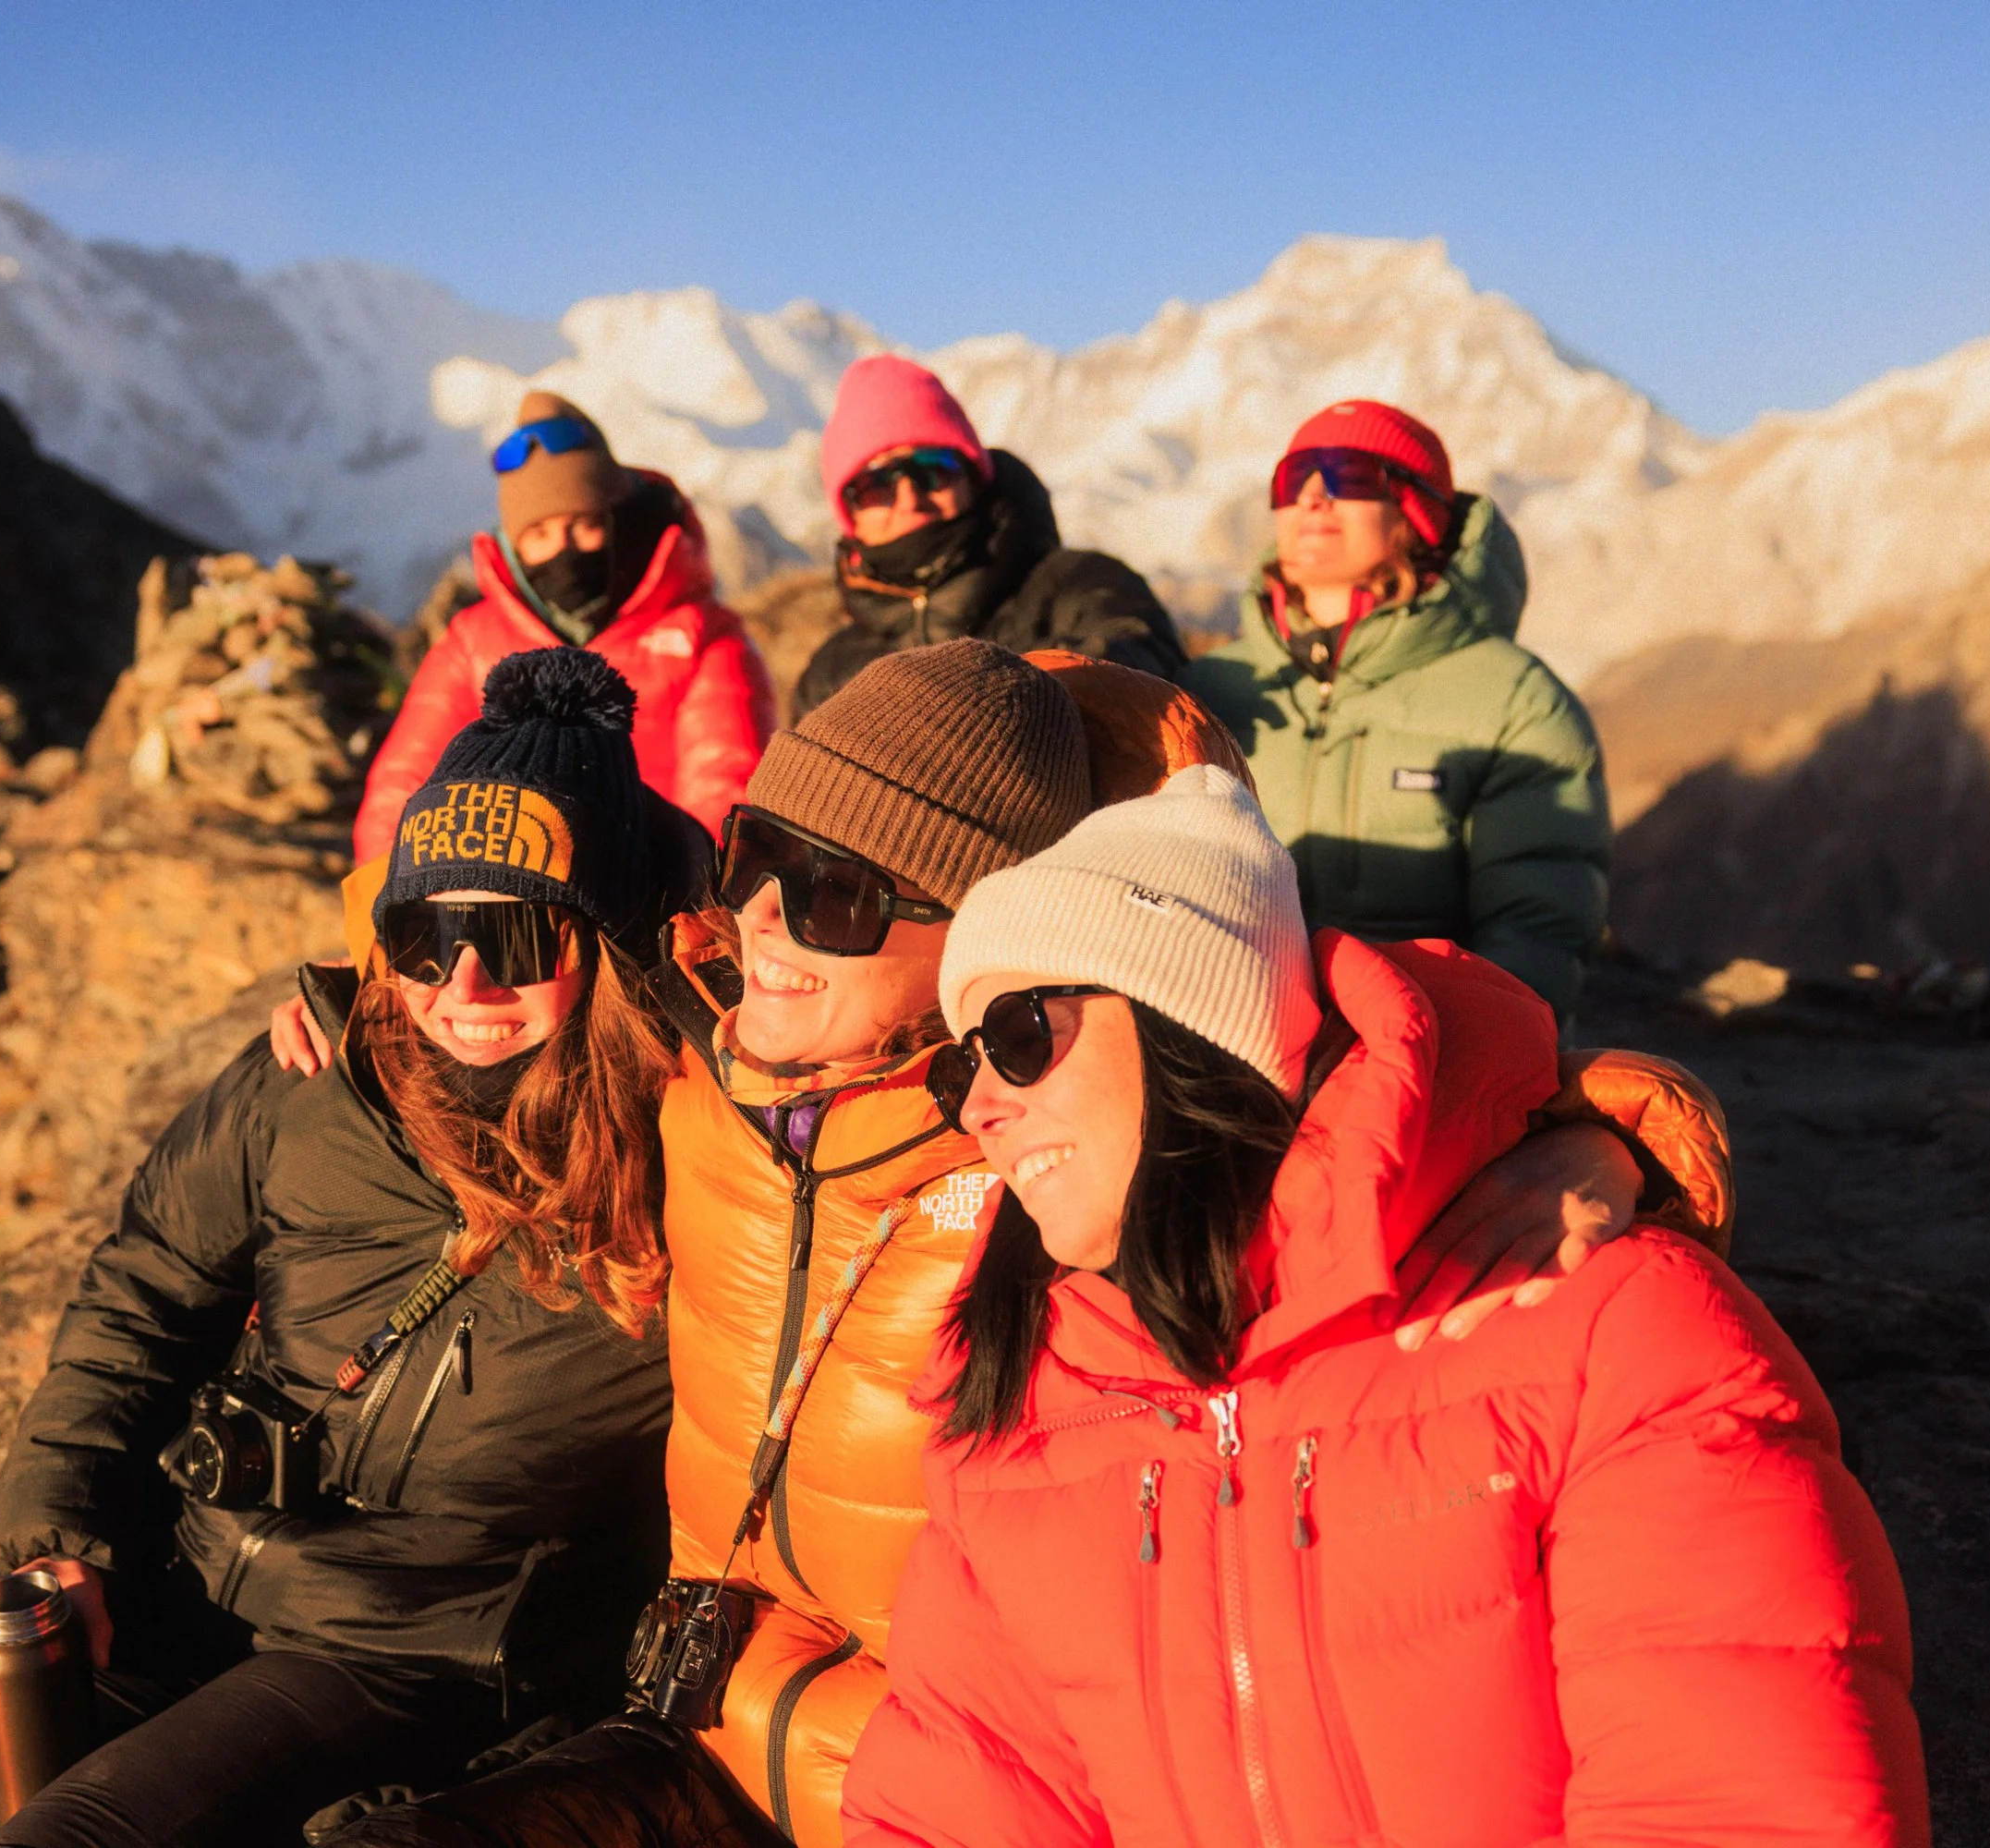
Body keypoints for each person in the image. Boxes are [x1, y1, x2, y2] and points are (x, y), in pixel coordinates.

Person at [314, 641, 1730, 1848]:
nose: (766, 923)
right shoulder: (702, 1040)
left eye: (838, 894)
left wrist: (1617, 1133)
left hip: (946, 1778)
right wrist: (338, 1002)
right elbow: (490, 958)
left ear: (987, 931)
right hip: (701, 1725)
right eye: (758, 858)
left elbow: (1389, 1071)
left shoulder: (1060, 1128)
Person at [841, 765, 1928, 1847]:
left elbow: (1743, 1802)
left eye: (1022, 1034)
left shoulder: (1607, 1328)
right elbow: (955, 1807)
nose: (981, 1107)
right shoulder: (1018, 1417)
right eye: (962, 1068)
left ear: (1193, 1024)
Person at [0, 651, 708, 1848]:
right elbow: (143, 1294)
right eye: (426, 933)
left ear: (612, 939)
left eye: (521, 933)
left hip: (404, 1656)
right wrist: (57, 1540)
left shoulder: (691, 1160)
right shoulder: (313, 1084)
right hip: (172, 1575)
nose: (466, 980)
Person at [1178, 399, 1611, 1027]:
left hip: (1430, 1041)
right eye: (1293, 479)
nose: (1313, 498)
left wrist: (1446, 1052)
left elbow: (1537, 931)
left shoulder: (1515, 700)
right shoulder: (1204, 690)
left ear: (1416, 512)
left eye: (1348, 476)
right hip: (1229, 1036)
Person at [355, 392, 776, 856]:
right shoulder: (471, 642)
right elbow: (400, 789)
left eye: (584, 524)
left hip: (652, 889)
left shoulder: (701, 638)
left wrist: (669, 892)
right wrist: (392, 892)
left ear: (621, 524)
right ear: (514, 548)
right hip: (495, 888)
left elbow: (724, 792)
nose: (564, 549)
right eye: (539, 533)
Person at [792, 357, 1186, 713]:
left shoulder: (1081, 584)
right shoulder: (830, 675)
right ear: (849, 514)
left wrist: (997, 704)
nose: (910, 498)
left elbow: (1140, 661)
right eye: (876, 484)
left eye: (934, 468)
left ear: (973, 478)